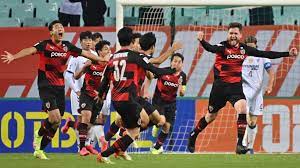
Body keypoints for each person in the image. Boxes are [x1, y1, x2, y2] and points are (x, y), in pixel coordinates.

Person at [187, 22, 297, 154]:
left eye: (235, 33)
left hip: (235, 88)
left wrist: (288, 54)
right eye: (231, 33)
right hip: (219, 89)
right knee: (210, 116)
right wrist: (202, 40)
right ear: (228, 34)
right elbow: (210, 48)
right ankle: (193, 134)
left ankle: (240, 144)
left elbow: (265, 53)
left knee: (243, 108)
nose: (233, 36)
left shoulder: (244, 49)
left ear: (240, 35)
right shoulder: (222, 47)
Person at [1, 20, 105, 160]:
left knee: (56, 122)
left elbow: (86, 54)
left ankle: (39, 149)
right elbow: (30, 50)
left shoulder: (67, 46)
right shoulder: (45, 45)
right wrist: (14, 56)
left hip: (59, 87)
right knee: (54, 117)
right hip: (46, 85)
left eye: (61, 27)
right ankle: (38, 134)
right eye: (57, 27)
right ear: (51, 32)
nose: (60, 29)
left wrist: (102, 60)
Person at [96, 27, 176, 164]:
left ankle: (114, 142)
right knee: (134, 133)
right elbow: (154, 69)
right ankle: (104, 154)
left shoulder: (112, 58)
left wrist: (101, 96)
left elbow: (104, 81)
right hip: (129, 99)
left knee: (140, 124)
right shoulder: (135, 57)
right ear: (132, 41)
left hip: (116, 99)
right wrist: (172, 69)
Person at [242, 36, 275, 154]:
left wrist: (270, 85)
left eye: (252, 47)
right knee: (244, 118)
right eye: (248, 47)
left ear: (256, 45)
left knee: (252, 122)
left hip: (256, 93)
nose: (250, 49)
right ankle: (242, 145)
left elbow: (271, 72)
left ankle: (250, 147)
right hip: (243, 92)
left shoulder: (262, 56)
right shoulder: (240, 56)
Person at [64, 31, 96, 151]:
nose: (88, 42)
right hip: (79, 93)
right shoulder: (76, 56)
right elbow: (68, 76)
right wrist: (77, 91)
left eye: (90, 40)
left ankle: (70, 124)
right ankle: (81, 146)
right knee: (82, 120)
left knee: (90, 122)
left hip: (91, 93)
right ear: (80, 41)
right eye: (86, 40)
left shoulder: (94, 54)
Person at [150, 53, 186, 154]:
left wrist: (181, 89)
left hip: (171, 103)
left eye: (179, 62)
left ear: (182, 64)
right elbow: (150, 76)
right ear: (171, 62)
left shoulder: (183, 76)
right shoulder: (163, 71)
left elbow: (182, 93)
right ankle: (156, 124)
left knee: (167, 127)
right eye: (175, 61)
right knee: (162, 121)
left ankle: (157, 148)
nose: (177, 64)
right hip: (158, 101)